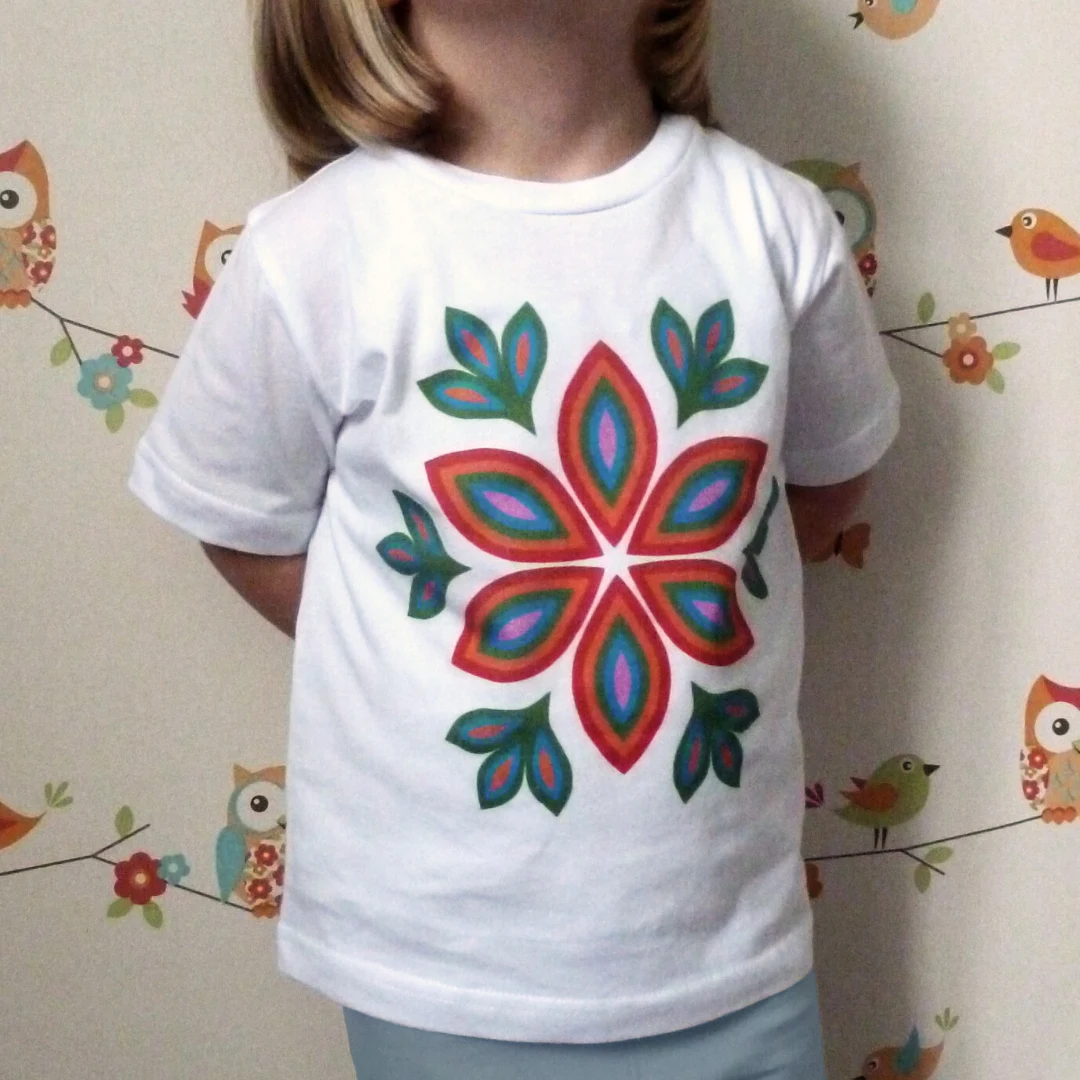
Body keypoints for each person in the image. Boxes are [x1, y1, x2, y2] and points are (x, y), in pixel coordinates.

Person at [128, 1, 900, 1076]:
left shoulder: (774, 227)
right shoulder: (316, 252)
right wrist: (461, 636)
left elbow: (826, 478)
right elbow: (239, 518)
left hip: (733, 959)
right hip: (437, 971)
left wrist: (641, 597)